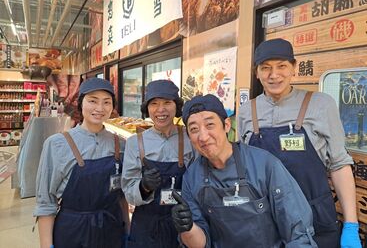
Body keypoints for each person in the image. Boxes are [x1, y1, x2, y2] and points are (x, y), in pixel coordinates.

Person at [238, 38, 361, 248]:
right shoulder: (247, 110)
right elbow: (243, 166)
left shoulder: (321, 104)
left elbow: (339, 165)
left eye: (282, 66)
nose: (274, 75)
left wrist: (351, 225)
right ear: (256, 72)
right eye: (266, 68)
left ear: (294, 68)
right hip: (264, 219)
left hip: (315, 217)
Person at [171, 94, 317, 248]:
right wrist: (187, 228)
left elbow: (298, 232)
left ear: (226, 125)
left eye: (210, 125)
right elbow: (200, 244)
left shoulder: (264, 165)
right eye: (194, 129)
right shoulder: (192, 178)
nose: (203, 136)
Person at [34, 78, 129, 248]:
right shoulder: (57, 144)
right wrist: (47, 246)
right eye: (92, 101)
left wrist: (127, 233)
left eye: (106, 102)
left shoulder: (120, 144)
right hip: (72, 231)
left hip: (111, 228)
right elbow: (46, 202)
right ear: (80, 103)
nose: (99, 108)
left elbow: (120, 197)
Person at [121, 79, 195, 248]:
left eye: (167, 103)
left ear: (176, 106)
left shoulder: (190, 138)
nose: (161, 110)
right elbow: (128, 190)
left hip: (182, 223)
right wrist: (144, 187)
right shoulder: (135, 143)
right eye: (154, 103)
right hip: (146, 226)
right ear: (147, 108)